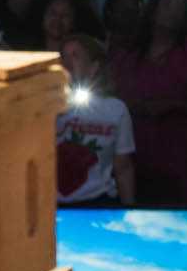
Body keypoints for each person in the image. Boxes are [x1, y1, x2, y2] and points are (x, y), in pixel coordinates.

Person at [108, 0, 187, 205]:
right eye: (168, 4)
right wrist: (128, 104)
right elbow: (107, 96)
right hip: (133, 151)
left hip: (182, 154)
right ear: (152, 10)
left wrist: (173, 104)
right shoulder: (126, 52)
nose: (174, 11)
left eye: (180, 7)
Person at [54, 34, 136, 206]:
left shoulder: (115, 109)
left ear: (93, 67)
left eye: (75, 55)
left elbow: (122, 167)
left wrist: (130, 210)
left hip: (98, 203)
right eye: (62, 56)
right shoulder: (39, 108)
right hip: (49, 204)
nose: (66, 62)